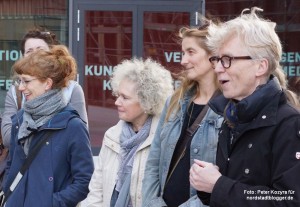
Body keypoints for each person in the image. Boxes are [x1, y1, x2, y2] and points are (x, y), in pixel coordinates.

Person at [189, 7, 300, 207]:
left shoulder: (289, 123)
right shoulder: (231, 116)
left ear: (261, 66)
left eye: (227, 60)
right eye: (216, 60)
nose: (217, 68)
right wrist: (207, 187)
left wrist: (218, 185)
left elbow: (288, 200)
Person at [142, 22, 223, 207]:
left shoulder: (229, 108)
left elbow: (225, 178)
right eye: (183, 53)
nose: (183, 61)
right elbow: (154, 161)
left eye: (191, 52)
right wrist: (152, 203)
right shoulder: (175, 102)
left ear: (213, 56)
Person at [2, 45, 94, 207]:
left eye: (27, 81)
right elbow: (12, 165)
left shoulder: (72, 126)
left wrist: (52, 203)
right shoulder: (20, 119)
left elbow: (84, 180)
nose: (21, 87)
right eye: (20, 81)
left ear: (47, 83)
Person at [85, 58, 173, 207]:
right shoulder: (112, 136)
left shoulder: (163, 139)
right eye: (118, 95)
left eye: (125, 98)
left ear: (147, 102)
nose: (117, 102)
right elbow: (96, 191)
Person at [1, 28, 88, 148]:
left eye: (40, 50)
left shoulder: (71, 90)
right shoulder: (17, 92)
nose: (35, 55)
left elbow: (80, 138)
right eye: (29, 51)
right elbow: (7, 138)